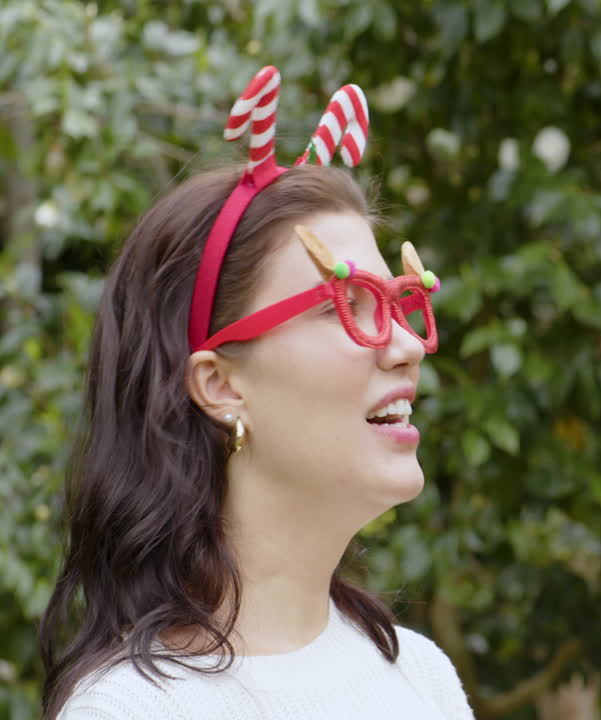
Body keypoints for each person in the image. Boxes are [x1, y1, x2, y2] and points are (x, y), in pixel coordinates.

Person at [37, 66, 472, 719]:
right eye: (344, 307)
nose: (407, 346)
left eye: (398, 304)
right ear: (220, 384)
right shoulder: (130, 710)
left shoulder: (420, 677)